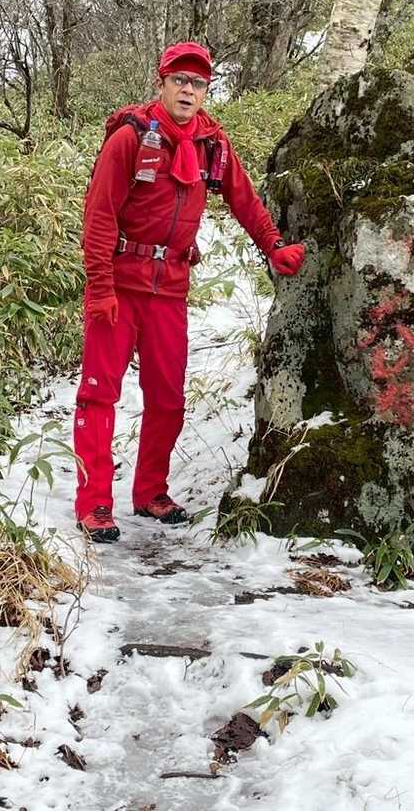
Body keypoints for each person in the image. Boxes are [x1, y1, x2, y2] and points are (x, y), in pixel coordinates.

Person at [75, 41, 305, 542]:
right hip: (120, 283)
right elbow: (99, 217)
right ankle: (94, 504)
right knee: (98, 395)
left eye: (198, 83)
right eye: (179, 80)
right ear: (161, 83)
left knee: (168, 397)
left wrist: (273, 245)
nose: (188, 90)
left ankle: (150, 492)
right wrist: (100, 288)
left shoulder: (211, 144)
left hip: (170, 289)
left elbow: (244, 199)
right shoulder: (130, 139)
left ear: (206, 91)